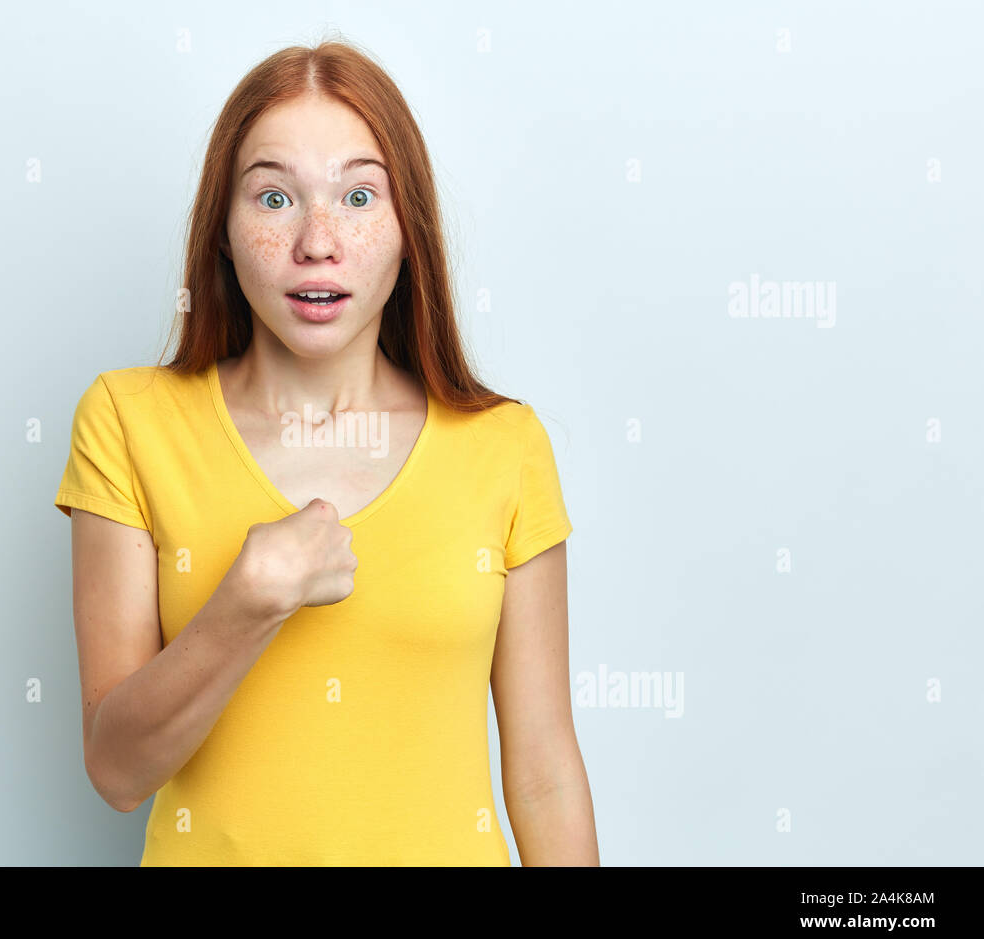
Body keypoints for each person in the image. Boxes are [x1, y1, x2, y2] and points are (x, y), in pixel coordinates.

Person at [54, 37, 598, 866]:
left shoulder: (506, 446)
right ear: (225, 234)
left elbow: (545, 773)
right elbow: (118, 770)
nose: (317, 241)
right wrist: (247, 602)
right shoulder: (129, 423)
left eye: (358, 196)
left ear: (410, 229)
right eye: (274, 198)